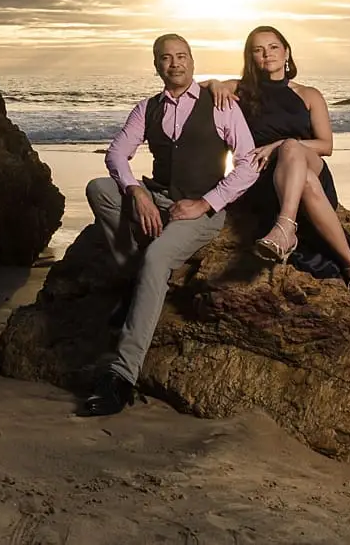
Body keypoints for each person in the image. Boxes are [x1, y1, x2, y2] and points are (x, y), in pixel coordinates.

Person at [77, 33, 261, 417]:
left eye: (181, 57)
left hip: (202, 209)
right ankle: (136, 279)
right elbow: (117, 153)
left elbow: (248, 163)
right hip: (157, 198)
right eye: (166, 58)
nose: (174, 64)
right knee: (100, 189)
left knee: (158, 256)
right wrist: (136, 192)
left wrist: (206, 203)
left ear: (192, 62)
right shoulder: (147, 109)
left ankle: (122, 377)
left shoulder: (220, 103)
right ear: (156, 65)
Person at [207, 25, 350, 308]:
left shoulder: (309, 94)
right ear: (251, 57)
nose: (267, 54)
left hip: (308, 160)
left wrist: (282, 144)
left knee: (291, 148)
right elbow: (196, 88)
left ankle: (285, 228)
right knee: (306, 181)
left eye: (273, 47)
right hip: (266, 179)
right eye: (258, 50)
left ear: (286, 52)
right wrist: (213, 82)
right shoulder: (239, 89)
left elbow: (326, 145)